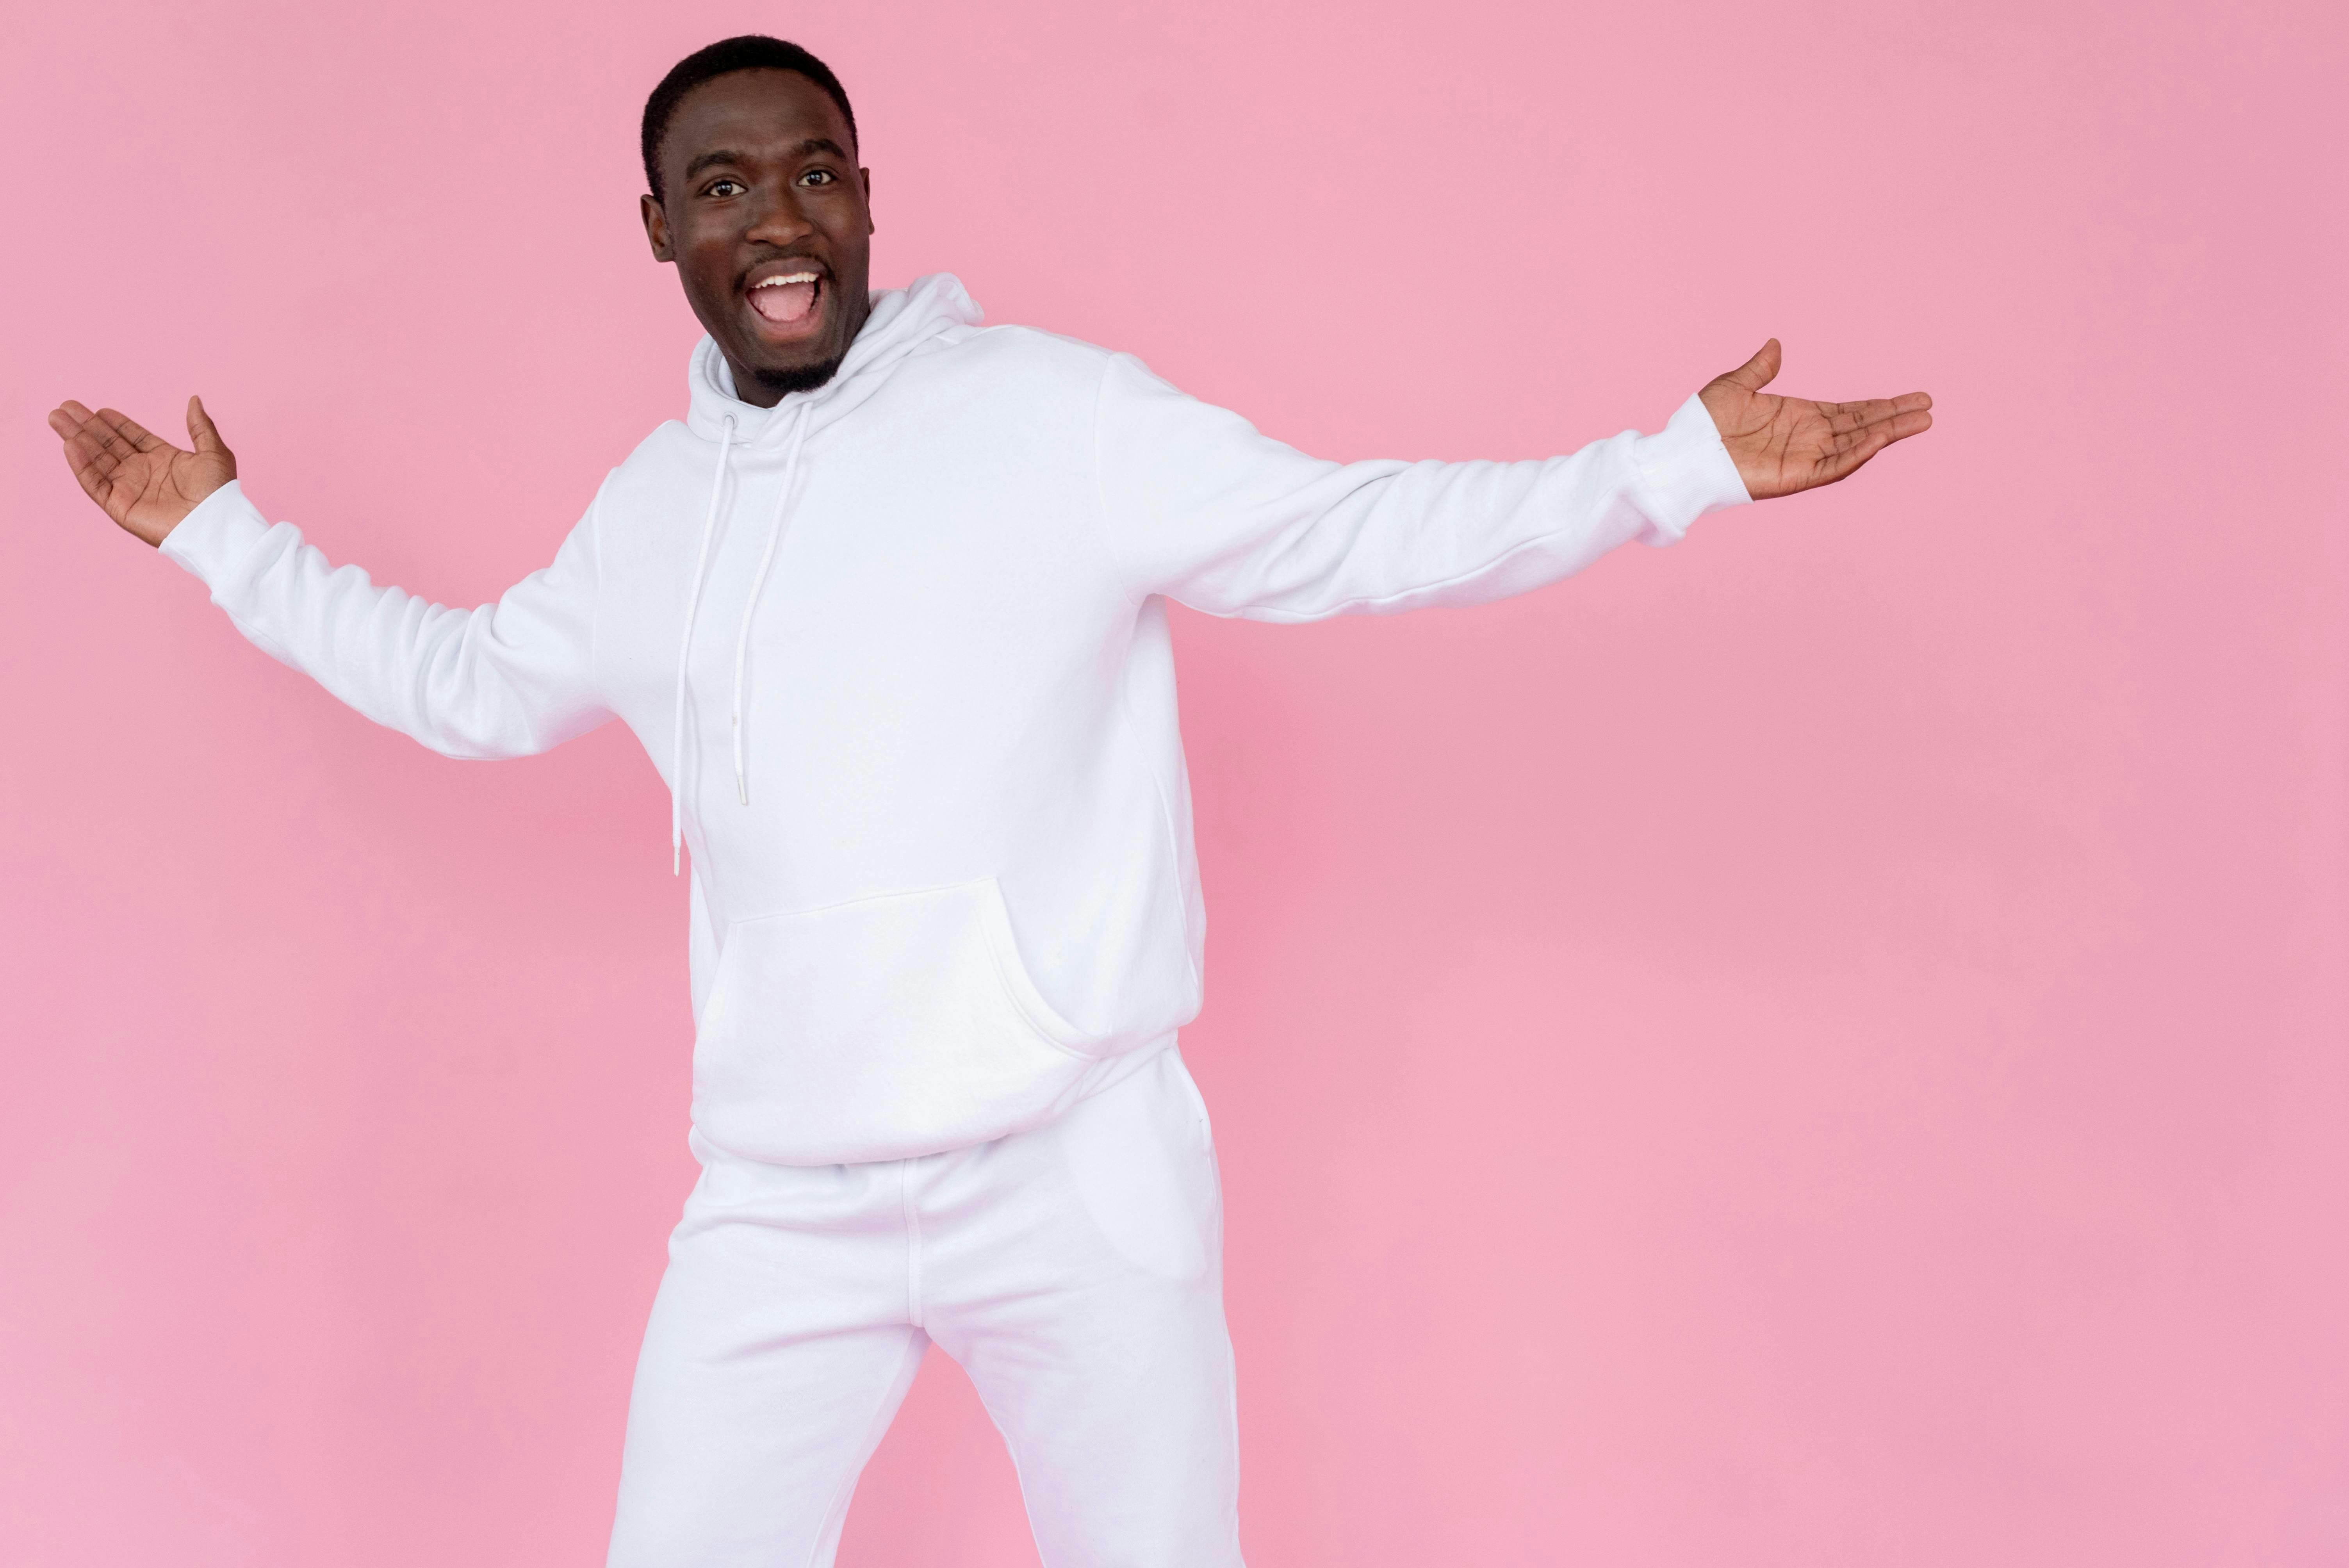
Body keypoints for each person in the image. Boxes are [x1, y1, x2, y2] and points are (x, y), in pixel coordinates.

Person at [45, 33, 1933, 1568]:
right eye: (722, 187)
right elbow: (461, 683)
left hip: (1072, 1160)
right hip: (783, 1198)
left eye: (812, 174)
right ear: (657, 231)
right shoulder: (649, 516)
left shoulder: (1054, 419)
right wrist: (219, 535)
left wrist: (1668, 466)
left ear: (864, 199)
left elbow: (1349, 532)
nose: (775, 219)